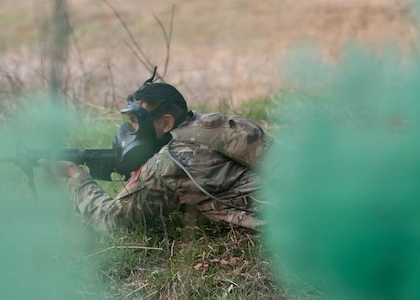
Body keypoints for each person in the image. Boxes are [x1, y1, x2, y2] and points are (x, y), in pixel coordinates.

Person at [45, 75, 268, 234]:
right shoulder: (217, 123)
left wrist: (76, 175)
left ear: (166, 123)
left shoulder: (169, 163)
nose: (129, 130)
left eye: (135, 122)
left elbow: (112, 220)